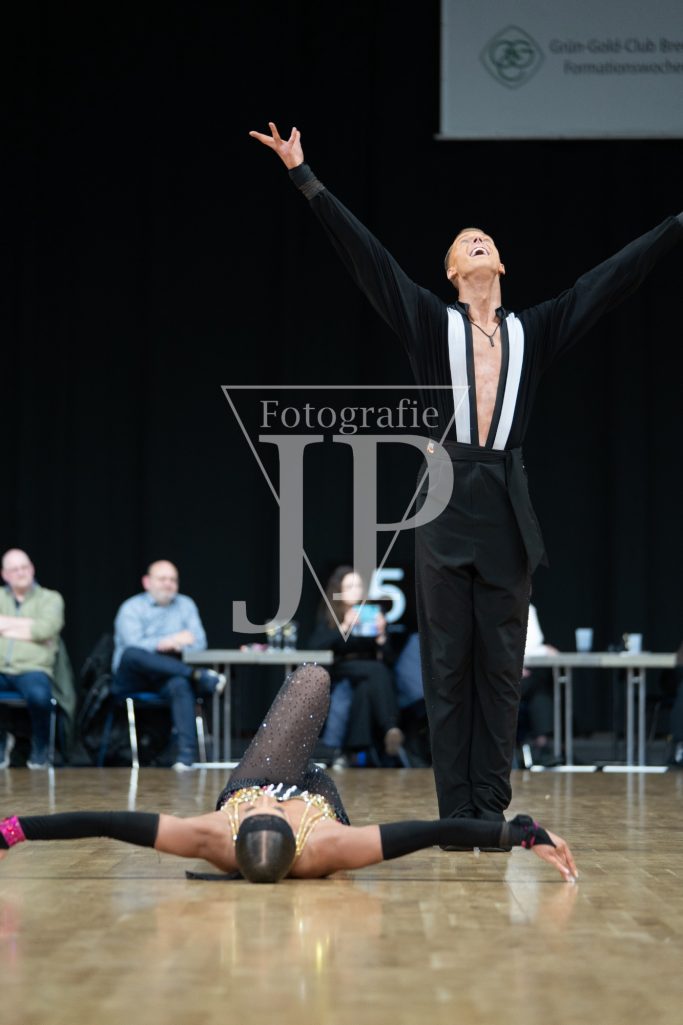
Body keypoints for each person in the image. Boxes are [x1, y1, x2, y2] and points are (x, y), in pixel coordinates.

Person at [249, 122, 683, 825]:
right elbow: (368, 259)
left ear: (500, 264)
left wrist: (674, 225)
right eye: (464, 240)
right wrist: (305, 177)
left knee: (501, 666)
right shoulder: (431, 321)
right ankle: (457, 814)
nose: (477, 239)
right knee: (446, 665)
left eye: (485, 238)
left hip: (505, 497)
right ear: (452, 270)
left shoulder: (532, 329)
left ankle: (489, 807)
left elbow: (607, 281)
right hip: (445, 495)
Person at [0, 663, 578, 883]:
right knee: (317, 699)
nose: (270, 800)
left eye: (256, 809)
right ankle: (348, 741)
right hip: (325, 799)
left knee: (311, 678)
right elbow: (431, 831)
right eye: (270, 808)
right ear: (297, 837)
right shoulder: (328, 846)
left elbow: (107, 822)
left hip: (259, 768)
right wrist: (519, 834)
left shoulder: (210, 835)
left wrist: (14, 829)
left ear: (235, 830)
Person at [112, 560, 225, 771]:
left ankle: (186, 758)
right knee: (132, 654)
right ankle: (196, 675)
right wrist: (167, 641)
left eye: (173, 579)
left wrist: (169, 643)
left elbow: (199, 643)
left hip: (166, 676)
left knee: (179, 684)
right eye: (162, 579)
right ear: (147, 582)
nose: (168, 584)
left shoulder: (186, 605)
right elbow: (133, 646)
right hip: (133, 679)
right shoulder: (131, 608)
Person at [309, 566, 404, 764]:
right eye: (350, 586)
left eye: (359, 586)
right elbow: (316, 646)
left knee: (365, 688)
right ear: (339, 590)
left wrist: (381, 636)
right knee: (377, 671)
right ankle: (390, 726)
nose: (356, 591)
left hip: (369, 668)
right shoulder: (331, 614)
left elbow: (390, 657)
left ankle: (356, 751)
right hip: (342, 666)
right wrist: (344, 626)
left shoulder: (373, 612)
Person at [0, 549, 64, 769]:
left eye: (24, 567)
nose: (21, 572)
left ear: (32, 569)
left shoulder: (51, 598)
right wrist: (31, 625)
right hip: (1, 668)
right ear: (5, 574)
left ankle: (41, 746)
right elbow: (37, 630)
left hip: (32, 669)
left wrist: (4, 625)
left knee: (39, 695)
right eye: (14, 569)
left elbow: (45, 629)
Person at [520, 603, 560, 765]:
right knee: (539, 685)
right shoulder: (495, 605)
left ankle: (544, 745)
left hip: (517, 674)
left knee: (540, 688)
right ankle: (543, 745)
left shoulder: (528, 608)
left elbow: (532, 644)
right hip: (495, 675)